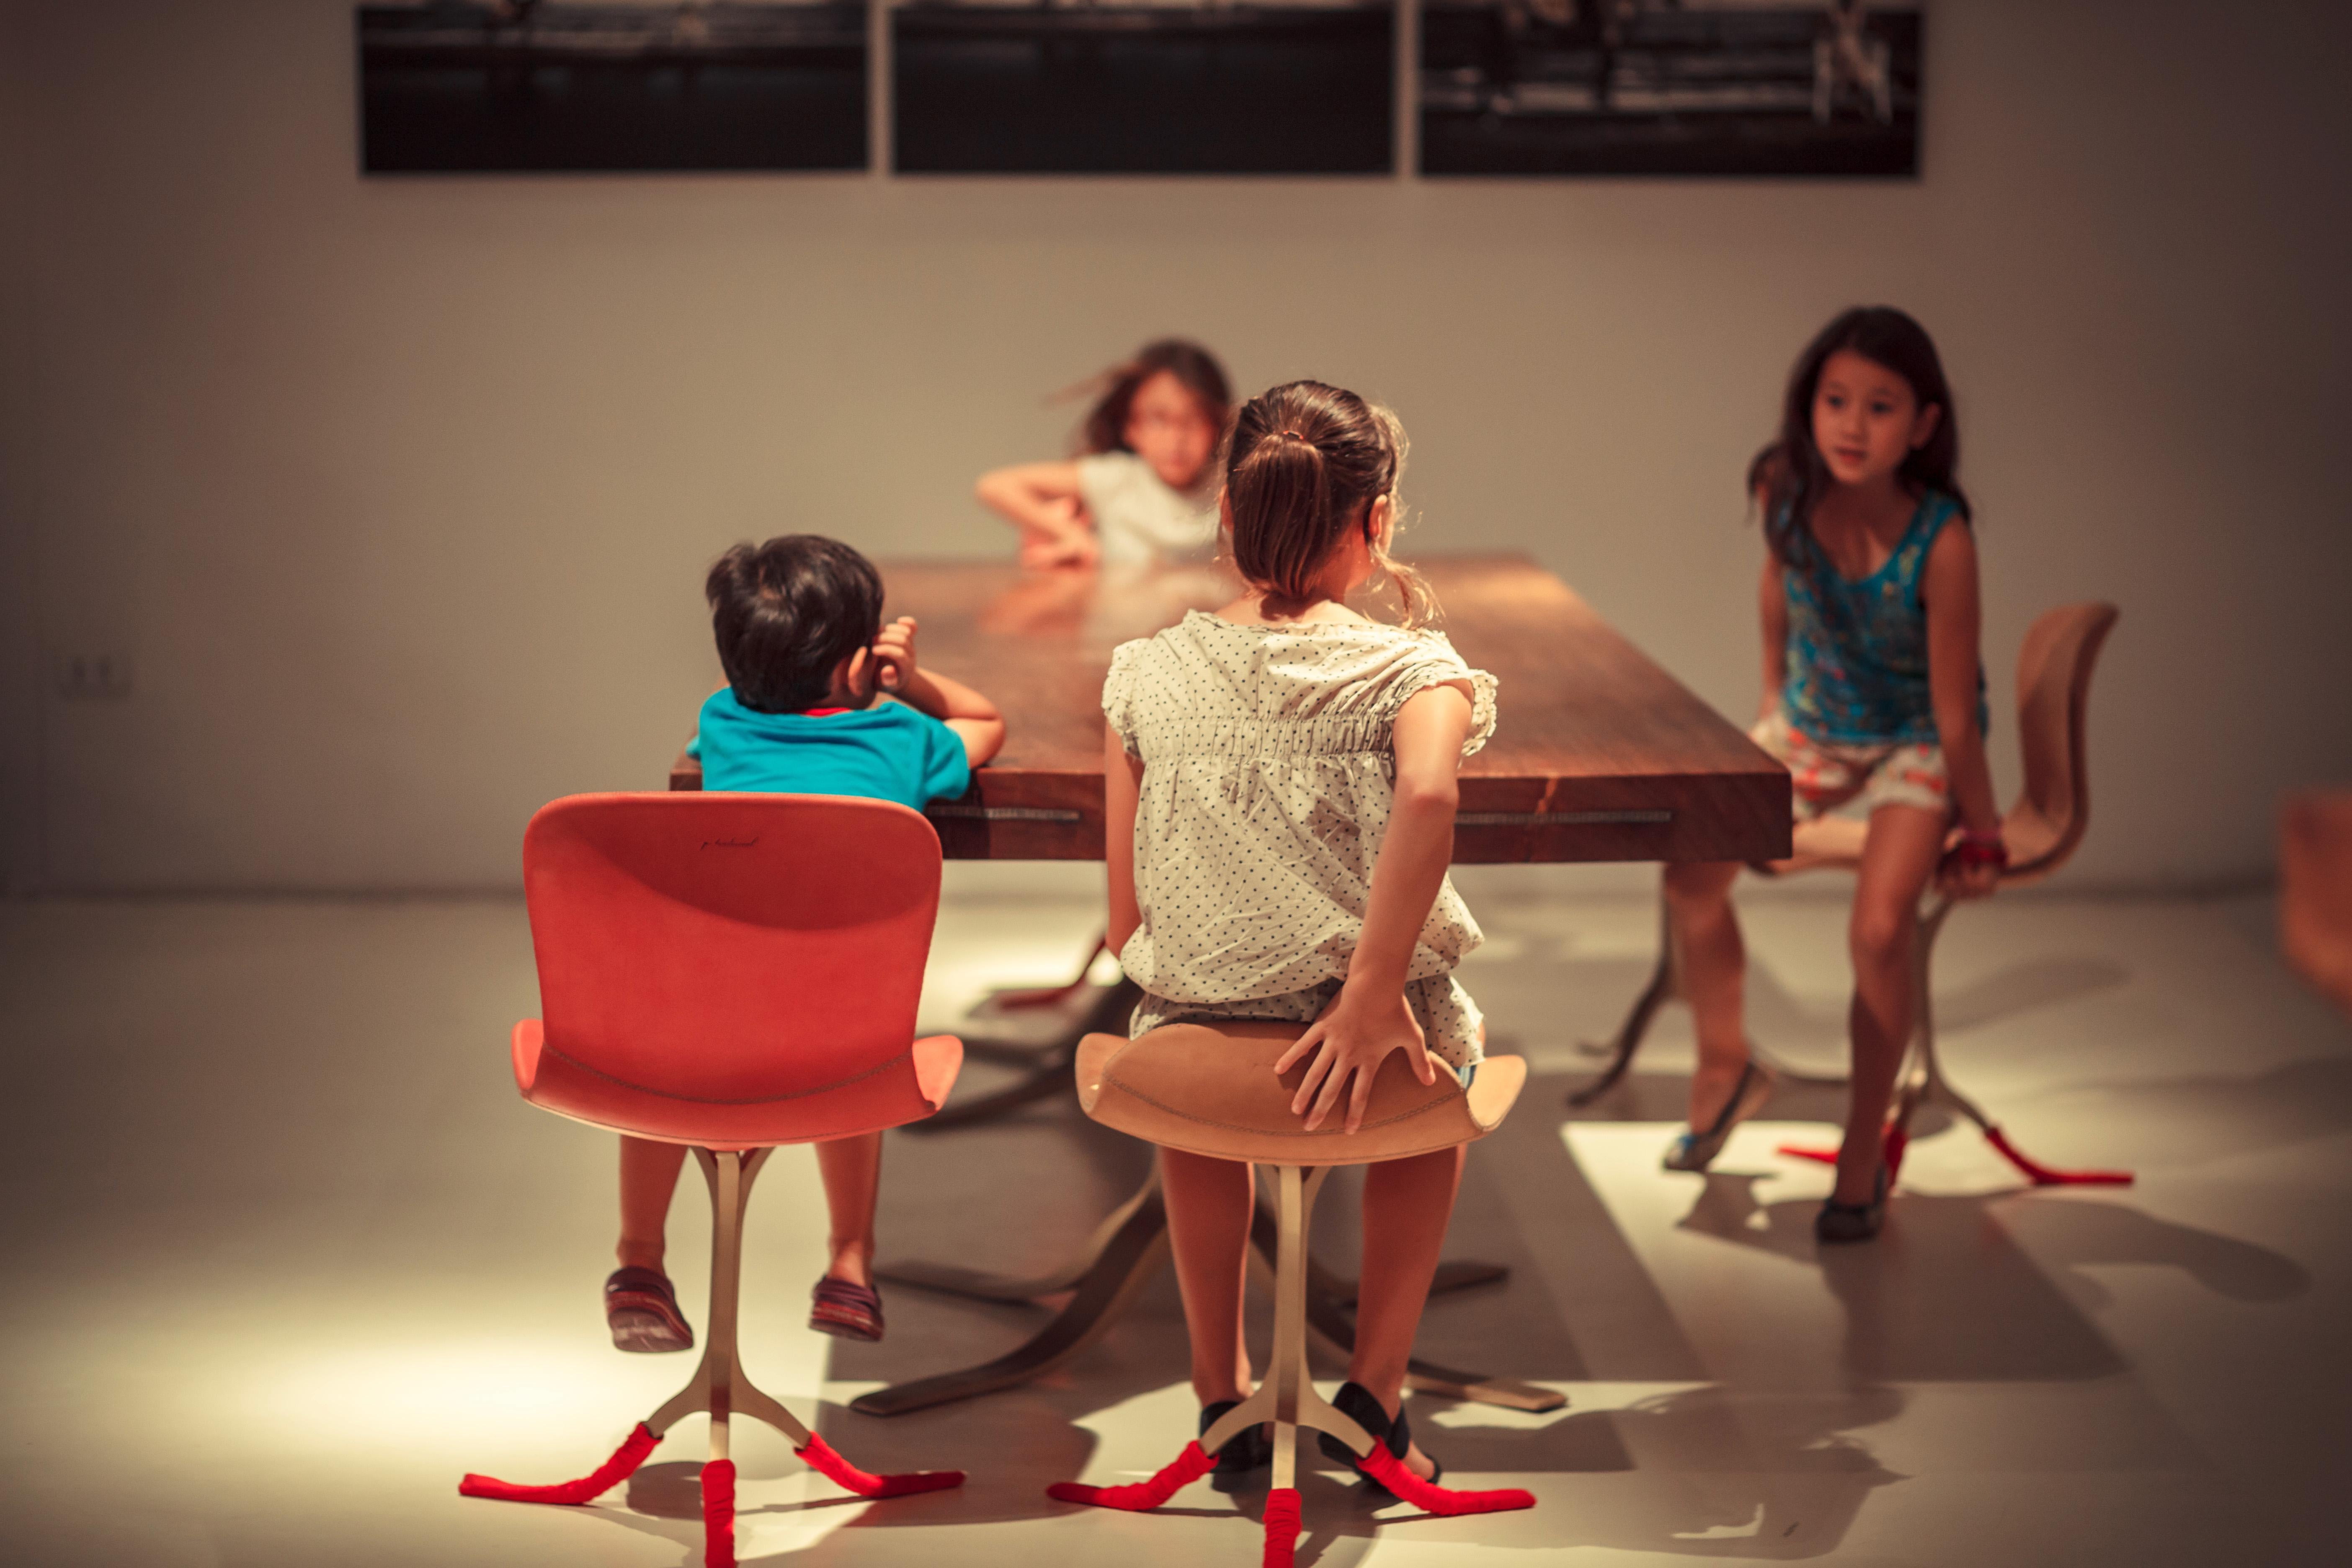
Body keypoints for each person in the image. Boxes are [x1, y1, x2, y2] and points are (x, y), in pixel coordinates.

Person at [1101, 379, 1497, 1484]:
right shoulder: (1416, 673)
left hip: (1195, 1061)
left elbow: (1121, 914)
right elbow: (1427, 798)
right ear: (1374, 526)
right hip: (1370, 1054)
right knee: (1440, 1063)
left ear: (1227, 517)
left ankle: (1218, 1392)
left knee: (1181, 1042)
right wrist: (1369, 993)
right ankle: (1377, 1390)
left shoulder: (1142, 676)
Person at [603, 535, 1005, 1353]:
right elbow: (984, 721)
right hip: (845, 1045)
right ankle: (850, 1264)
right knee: (856, 1033)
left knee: (660, 1053)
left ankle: (639, 1259)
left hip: (706, 1030)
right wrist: (908, 682)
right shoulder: (903, 740)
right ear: (860, 665)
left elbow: (731, 692)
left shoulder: (720, 724)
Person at [1661, 306, 1999, 1243]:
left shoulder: (1944, 540)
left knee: (1879, 929)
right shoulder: (1784, 488)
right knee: (1691, 872)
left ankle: (1862, 1149)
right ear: (1808, 406)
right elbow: (1780, 583)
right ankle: (1727, 1066)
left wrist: (1984, 829)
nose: (1853, 426)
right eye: (1836, 400)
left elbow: (1957, 713)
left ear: (1923, 425)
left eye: (1881, 407)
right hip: (1814, 727)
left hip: (1914, 740)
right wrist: (1773, 699)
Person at [976, 339, 1231, 571]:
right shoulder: (1118, 478)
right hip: (1124, 619)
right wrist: (1071, 535)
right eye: (1158, 419)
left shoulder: (1229, 487)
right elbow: (995, 486)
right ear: (1131, 427)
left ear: (1218, 426)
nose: (1176, 439)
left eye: (1193, 419)